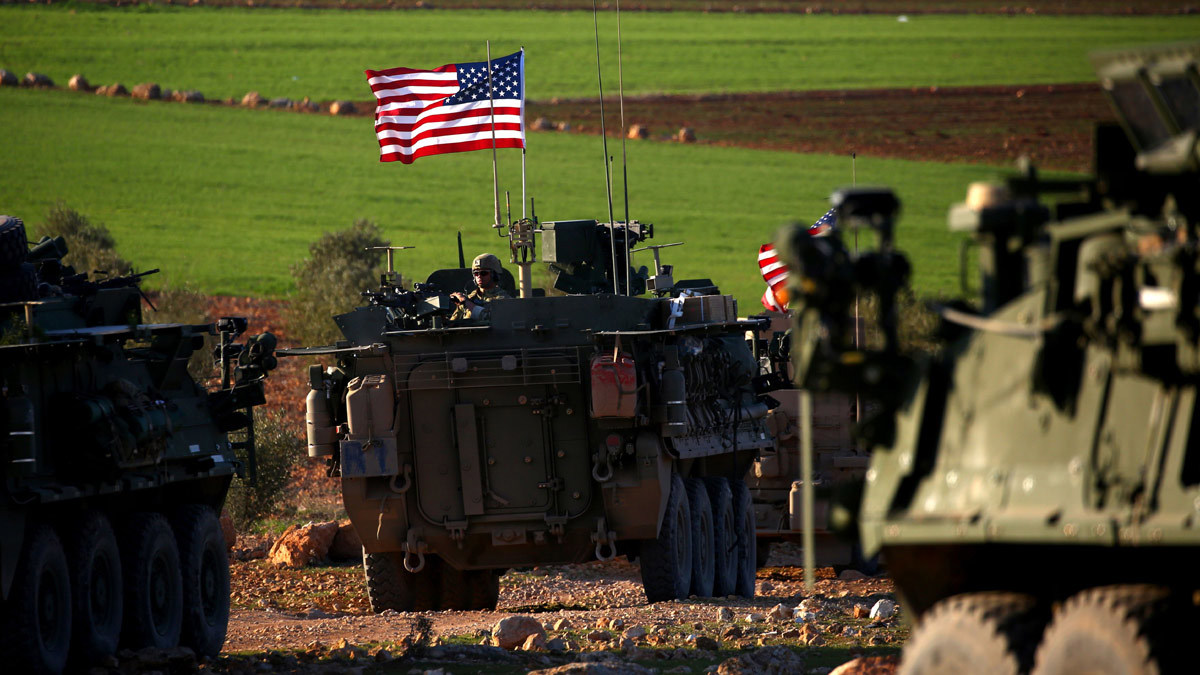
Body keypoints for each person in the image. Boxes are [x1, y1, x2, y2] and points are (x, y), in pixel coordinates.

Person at [450, 253, 511, 321]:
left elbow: (492, 319)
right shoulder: (469, 298)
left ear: (494, 275)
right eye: (476, 273)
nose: (479, 276)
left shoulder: (504, 300)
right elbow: (452, 324)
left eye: (483, 273)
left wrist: (467, 303)